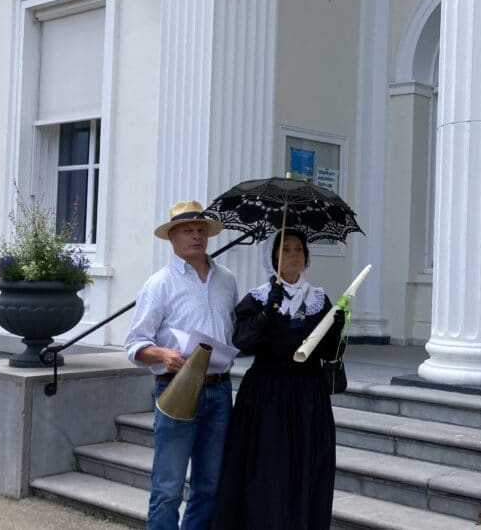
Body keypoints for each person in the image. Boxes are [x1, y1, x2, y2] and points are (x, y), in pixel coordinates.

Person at [211, 228, 346, 529]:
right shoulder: (259, 298)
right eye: (286, 249)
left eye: (299, 249)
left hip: (309, 397)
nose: (294, 255)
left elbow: (327, 352)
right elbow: (241, 342)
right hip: (268, 395)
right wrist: (266, 315)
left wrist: (336, 329)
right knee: (269, 469)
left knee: (305, 467)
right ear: (273, 258)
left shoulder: (319, 300)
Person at [124, 200, 240, 530]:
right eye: (187, 230)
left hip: (219, 391)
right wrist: (163, 355)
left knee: (210, 484)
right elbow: (134, 345)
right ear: (172, 238)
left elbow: (232, 328)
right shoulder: (159, 284)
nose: (196, 236)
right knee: (168, 487)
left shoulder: (227, 280)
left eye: (201, 230)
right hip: (176, 388)